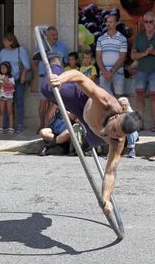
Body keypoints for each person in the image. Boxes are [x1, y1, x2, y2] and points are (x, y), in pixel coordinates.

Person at [40, 53, 141, 215]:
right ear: (116, 116)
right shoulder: (105, 101)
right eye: (114, 129)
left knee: (97, 141)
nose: (113, 135)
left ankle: (85, 135)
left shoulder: (117, 141)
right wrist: (60, 79)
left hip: (93, 131)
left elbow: (110, 172)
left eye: (117, 135)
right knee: (47, 88)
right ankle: (56, 61)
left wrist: (106, 199)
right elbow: (79, 76)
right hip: (80, 101)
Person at [130, 11, 155, 131]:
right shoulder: (139, 36)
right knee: (140, 96)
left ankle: (153, 124)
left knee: (153, 96)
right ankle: (140, 123)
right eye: (146, 22)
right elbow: (132, 56)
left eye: (150, 21)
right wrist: (144, 53)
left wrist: (153, 52)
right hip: (141, 71)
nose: (148, 24)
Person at [35, 26, 68, 132]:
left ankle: (46, 125)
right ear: (47, 36)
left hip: (57, 78)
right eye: (53, 35)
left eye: (56, 34)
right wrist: (43, 71)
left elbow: (65, 62)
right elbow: (34, 61)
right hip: (43, 77)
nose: (56, 37)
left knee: (53, 103)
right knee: (43, 103)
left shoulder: (62, 47)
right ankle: (41, 123)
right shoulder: (41, 46)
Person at [0, 32, 31, 134]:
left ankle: (19, 124)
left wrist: (23, 76)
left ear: (11, 41)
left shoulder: (21, 50)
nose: (3, 42)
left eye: (4, 40)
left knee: (19, 101)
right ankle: (7, 125)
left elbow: (27, 66)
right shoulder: (3, 51)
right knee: (6, 102)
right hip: (6, 81)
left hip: (18, 80)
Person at [96, 14, 127, 98]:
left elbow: (122, 57)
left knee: (119, 99)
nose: (108, 24)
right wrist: (105, 72)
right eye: (107, 22)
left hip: (118, 73)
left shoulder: (122, 39)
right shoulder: (100, 39)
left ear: (116, 23)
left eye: (111, 22)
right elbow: (98, 57)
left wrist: (111, 72)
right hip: (104, 73)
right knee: (104, 99)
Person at [0, 61, 15, 134]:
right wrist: (0, 84)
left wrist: (6, 82)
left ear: (8, 69)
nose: (2, 69)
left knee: (10, 111)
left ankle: (11, 127)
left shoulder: (11, 78)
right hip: (1, 96)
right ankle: (0, 127)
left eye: (4, 68)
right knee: (1, 112)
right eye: (1, 68)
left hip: (9, 96)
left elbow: (12, 86)